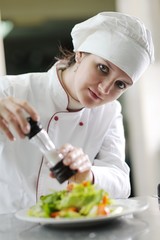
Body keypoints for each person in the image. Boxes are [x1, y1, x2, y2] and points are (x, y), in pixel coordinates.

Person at [0, 11, 154, 214]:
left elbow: (121, 182)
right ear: (80, 53)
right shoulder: (10, 90)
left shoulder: (109, 111)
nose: (105, 89)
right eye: (102, 68)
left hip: (66, 229)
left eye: (120, 84)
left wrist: (89, 174)